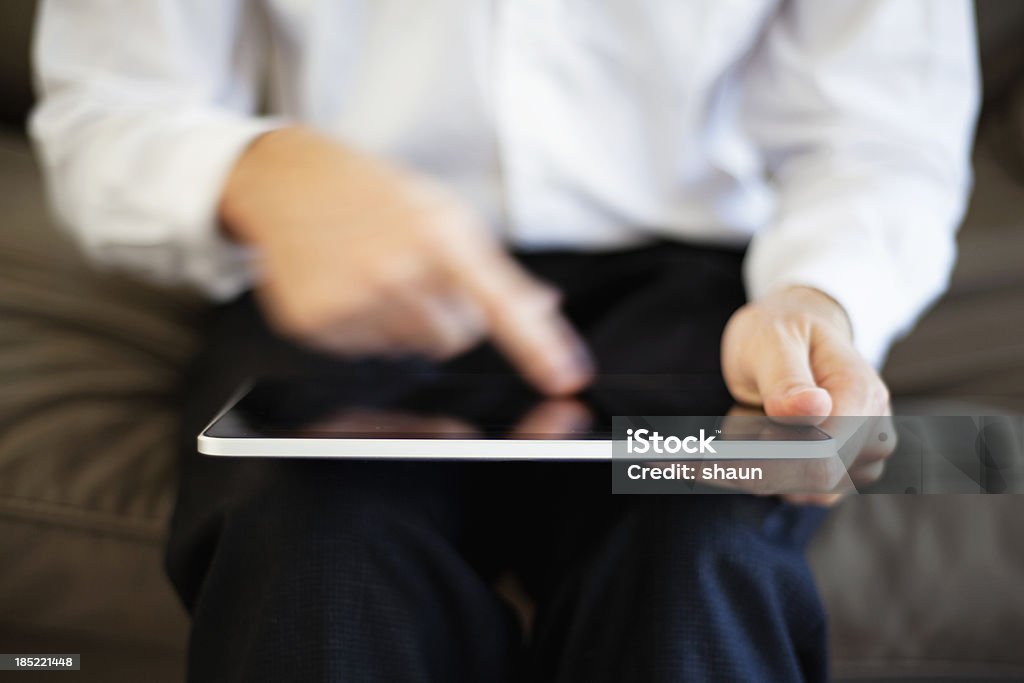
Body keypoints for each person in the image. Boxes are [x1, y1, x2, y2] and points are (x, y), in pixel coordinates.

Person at [30, 1, 978, 680]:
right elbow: (110, 102)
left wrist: (819, 297)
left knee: (699, 552)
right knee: (304, 552)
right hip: (338, 260)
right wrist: (259, 172)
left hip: (706, 278)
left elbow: (880, 130)